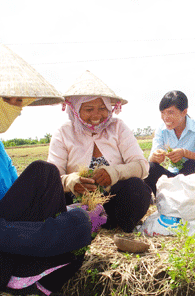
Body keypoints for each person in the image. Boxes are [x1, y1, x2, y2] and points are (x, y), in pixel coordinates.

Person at [0, 42, 93, 296]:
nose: (18, 109)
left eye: (20, 101)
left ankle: (31, 271)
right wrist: (54, 233)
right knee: (45, 176)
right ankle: (22, 273)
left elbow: (25, 202)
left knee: (47, 177)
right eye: (12, 100)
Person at [47, 70, 151, 233]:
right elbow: (52, 178)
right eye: (89, 109)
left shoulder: (118, 127)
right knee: (52, 198)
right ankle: (82, 222)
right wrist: (71, 182)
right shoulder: (63, 133)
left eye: (102, 108)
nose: (97, 115)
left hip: (113, 200)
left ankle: (113, 223)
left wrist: (115, 172)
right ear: (75, 110)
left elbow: (142, 166)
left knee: (138, 188)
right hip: (77, 202)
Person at [144, 90, 195, 195]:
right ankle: (166, 199)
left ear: (184, 112)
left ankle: (187, 199)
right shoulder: (161, 129)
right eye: (162, 113)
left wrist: (185, 153)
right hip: (171, 177)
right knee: (150, 168)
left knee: (192, 165)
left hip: (190, 176)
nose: (166, 118)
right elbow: (152, 158)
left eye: (170, 112)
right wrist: (156, 157)